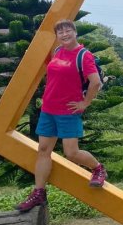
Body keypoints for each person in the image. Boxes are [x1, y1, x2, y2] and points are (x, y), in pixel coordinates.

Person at [16, 19, 106, 212]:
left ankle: (98, 168)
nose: (64, 34)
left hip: (68, 111)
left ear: (75, 32)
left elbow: (96, 82)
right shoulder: (58, 52)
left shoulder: (84, 55)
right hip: (49, 110)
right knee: (43, 150)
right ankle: (39, 192)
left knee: (71, 153)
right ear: (57, 36)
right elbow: (53, 67)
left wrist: (85, 103)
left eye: (68, 30)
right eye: (60, 32)